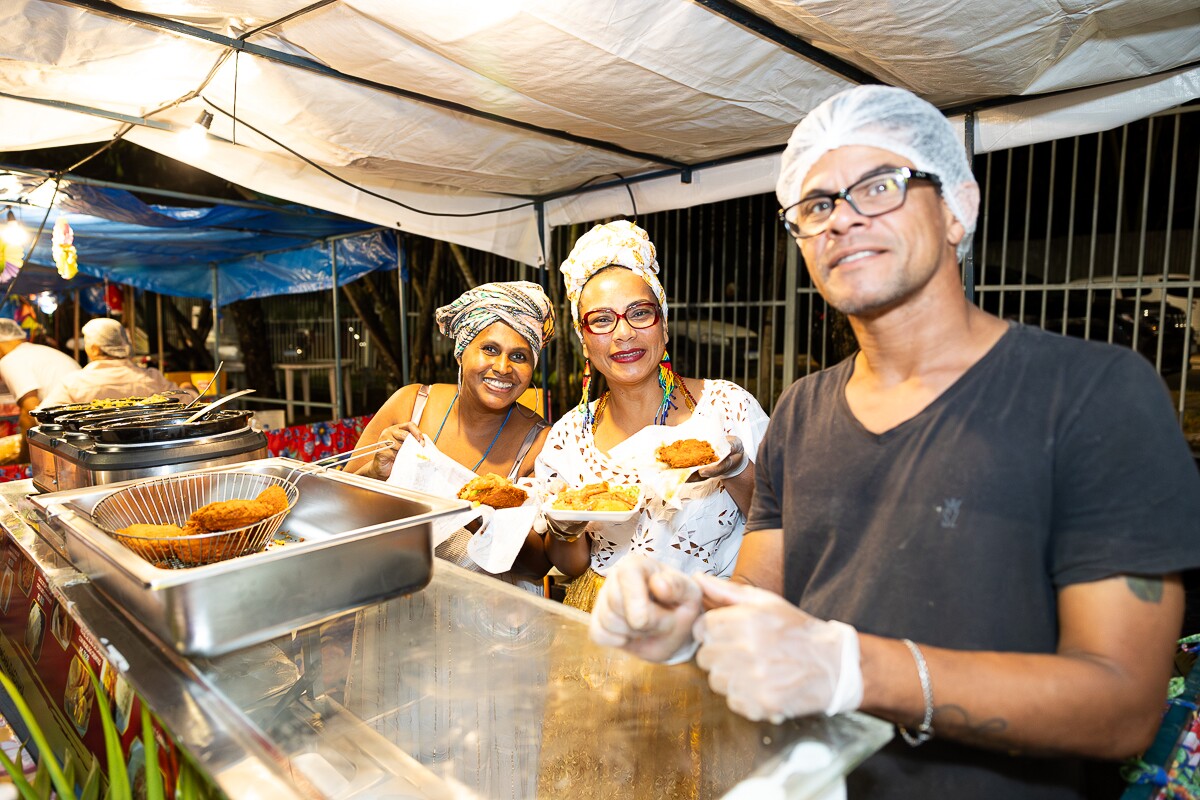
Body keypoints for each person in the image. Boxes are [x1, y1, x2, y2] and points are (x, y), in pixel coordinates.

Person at [586, 85, 1200, 798]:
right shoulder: (802, 413)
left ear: (958, 208)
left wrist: (854, 669)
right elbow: (756, 591)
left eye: (880, 186)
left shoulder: (1095, 396)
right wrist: (679, 607)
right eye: (816, 205)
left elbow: (1122, 705)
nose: (843, 219)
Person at [536, 220, 769, 612]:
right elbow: (572, 566)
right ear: (584, 340)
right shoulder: (569, 436)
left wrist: (737, 467)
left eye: (639, 313)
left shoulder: (727, 407)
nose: (623, 333)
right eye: (602, 320)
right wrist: (564, 527)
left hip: (715, 619)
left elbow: (780, 525)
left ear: (663, 326)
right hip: (608, 622)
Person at [348, 280, 556, 591]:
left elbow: (536, 565)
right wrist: (375, 474)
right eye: (489, 349)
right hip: (391, 596)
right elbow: (341, 510)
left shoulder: (539, 443)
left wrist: (474, 511)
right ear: (461, 352)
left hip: (484, 615)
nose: (503, 367)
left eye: (519, 356)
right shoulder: (411, 405)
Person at [41, 318, 197, 407]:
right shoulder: (151, 378)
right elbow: (190, 402)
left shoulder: (73, 383)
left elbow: (43, 415)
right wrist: (189, 389)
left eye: (87, 343)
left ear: (95, 349)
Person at [0, 317, 82, 457]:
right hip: (78, 430)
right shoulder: (42, 351)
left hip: (64, 436)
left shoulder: (11, 360)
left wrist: (26, 459)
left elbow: (29, 412)